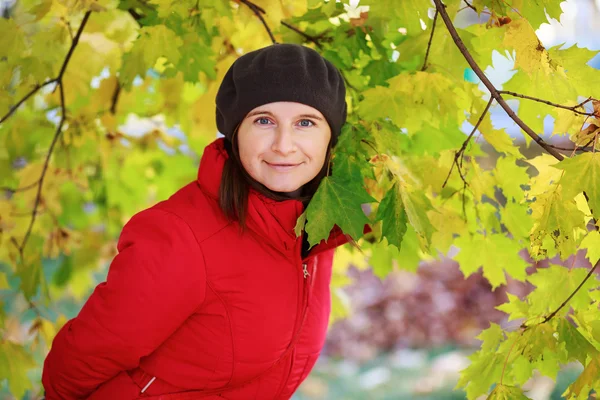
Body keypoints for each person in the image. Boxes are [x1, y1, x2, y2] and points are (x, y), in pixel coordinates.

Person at [42, 43, 365, 400]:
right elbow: (72, 368)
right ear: (234, 131)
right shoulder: (181, 236)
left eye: (305, 123)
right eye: (263, 121)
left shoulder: (313, 229)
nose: (284, 145)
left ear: (330, 137)